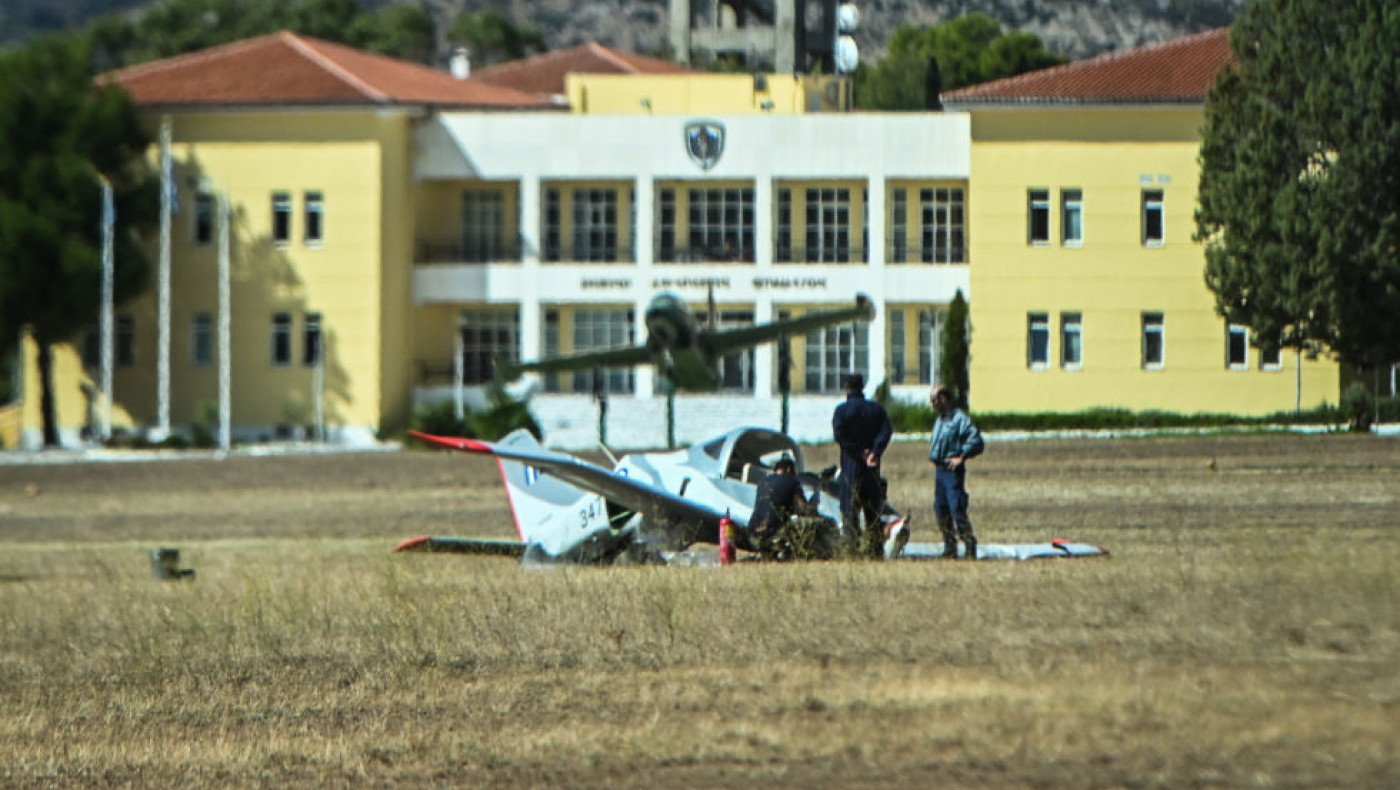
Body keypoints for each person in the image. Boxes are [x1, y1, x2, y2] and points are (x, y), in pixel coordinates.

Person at [832, 372, 892, 558]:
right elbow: (886, 431)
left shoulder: (842, 411)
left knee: (850, 509)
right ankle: (875, 551)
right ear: (863, 387)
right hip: (872, 467)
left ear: (846, 388)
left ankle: (852, 550)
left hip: (852, 464)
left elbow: (840, 435)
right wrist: (874, 451)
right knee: (872, 509)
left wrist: (859, 452)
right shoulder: (876, 410)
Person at [928, 383, 984, 559]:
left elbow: (976, 441)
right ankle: (949, 546)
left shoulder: (959, 419)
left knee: (956, 509)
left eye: (934, 400)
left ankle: (969, 545)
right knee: (941, 509)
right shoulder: (940, 420)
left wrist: (961, 457)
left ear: (943, 398)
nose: (933, 404)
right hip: (940, 472)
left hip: (952, 473)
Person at [745, 457, 813, 556]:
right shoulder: (791, 481)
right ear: (789, 469)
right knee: (810, 524)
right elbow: (804, 508)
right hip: (773, 535)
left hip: (753, 536)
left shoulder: (763, 482)